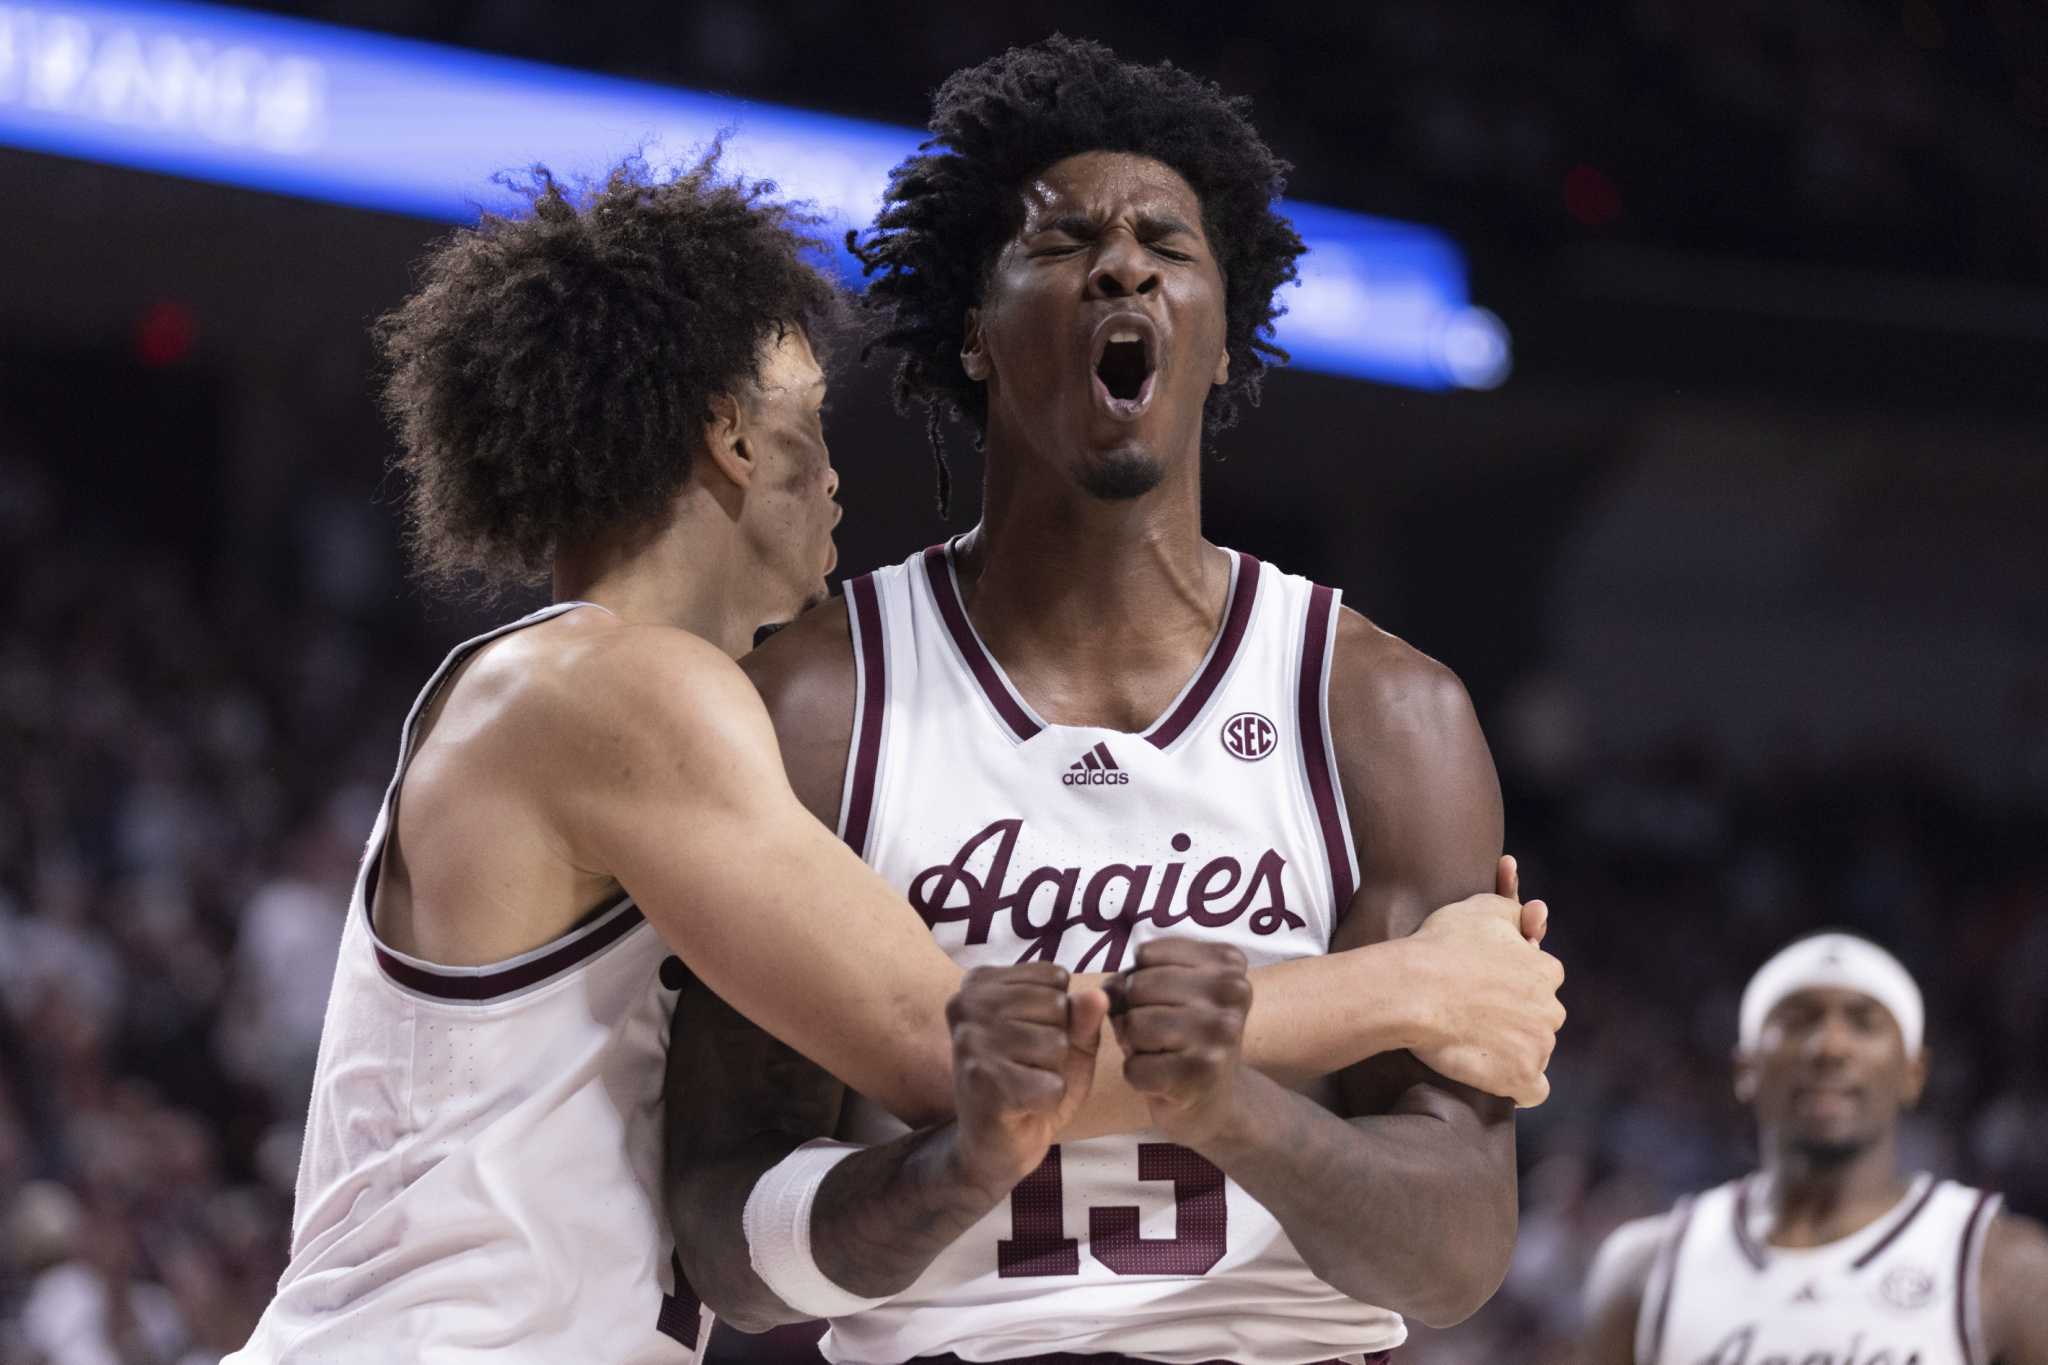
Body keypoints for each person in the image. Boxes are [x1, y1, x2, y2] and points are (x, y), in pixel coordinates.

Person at [225, 154, 1561, 1363]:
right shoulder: (619, 687)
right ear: (735, 440)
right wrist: (1411, 986)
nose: (839, 484)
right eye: (809, 428)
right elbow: (940, 1045)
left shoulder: (626, 698)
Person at [669, 37, 1560, 1364]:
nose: (1124, 263)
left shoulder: (1382, 712)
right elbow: (721, 1243)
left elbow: (1457, 1254)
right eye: (1063, 239)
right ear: (974, 329)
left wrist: (1236, 1110)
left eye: (1167, 243)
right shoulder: (815, 706)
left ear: (1218, 333)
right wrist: (954, 1170)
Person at [1583, 932, 2048, 1365]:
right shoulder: (1643, 1267)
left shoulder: (2006, 1267)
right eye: (1797, 1020)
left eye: (1864, 1022)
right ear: (1746, 1067)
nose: (1829, 1047)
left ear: (1913, 1072)